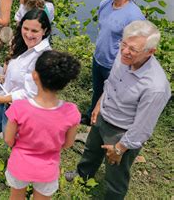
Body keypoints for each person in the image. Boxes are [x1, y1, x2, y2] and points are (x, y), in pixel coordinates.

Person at [66, 20, 170, 200]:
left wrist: (120, 148)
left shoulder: (155, 86)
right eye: (124, 44)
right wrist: (99, 104)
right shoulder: (123, 56)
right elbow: (111, 83)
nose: (125, 51)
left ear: (150, 52)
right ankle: (82, 175)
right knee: (91, 151)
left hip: (122, 132)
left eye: (133, 49)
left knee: (116, 172)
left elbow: (142, 127)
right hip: (104, 116)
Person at [0, 9, 52, 159]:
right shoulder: (24, 46)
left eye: (34, 30)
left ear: (44, 31)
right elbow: (15, 71)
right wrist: (1, 77)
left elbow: (31, 93)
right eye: (25, 28)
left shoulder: (44, 57)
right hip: (6, 101)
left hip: (21, 110)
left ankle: (20, 174)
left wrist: (1, 99)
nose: (29, 34)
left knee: (12, 140)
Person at [5, 50, 81, 200]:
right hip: (47, 169)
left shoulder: (19, 107)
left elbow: (8, 139)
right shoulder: (71, 112)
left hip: (20, 164)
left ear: (35, 75)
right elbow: (68, 143)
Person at [83, 0, 145, 125]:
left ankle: (101, 124)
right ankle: (91, 116)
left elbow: (137, 45)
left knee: (111, 96)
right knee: (98, 91)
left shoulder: (134, 15)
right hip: (99, 59)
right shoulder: (105, 4)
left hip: (116, 65)